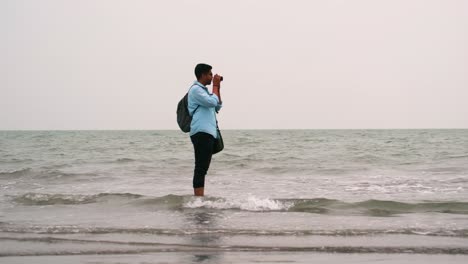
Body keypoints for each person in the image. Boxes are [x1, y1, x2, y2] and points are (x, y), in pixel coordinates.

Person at [188, 63, 223, 196]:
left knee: (203, 168)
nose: (211, 76)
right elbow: (212, 102)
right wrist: (215, 86)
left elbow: (218, 105)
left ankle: (199, 199)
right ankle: (198, 199)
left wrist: (217, 87)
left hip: (207, 133)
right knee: (200, 168)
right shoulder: (196, 90)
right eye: (209, 74)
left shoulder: (204, 92)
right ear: (202, 75)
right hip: (201, 133)